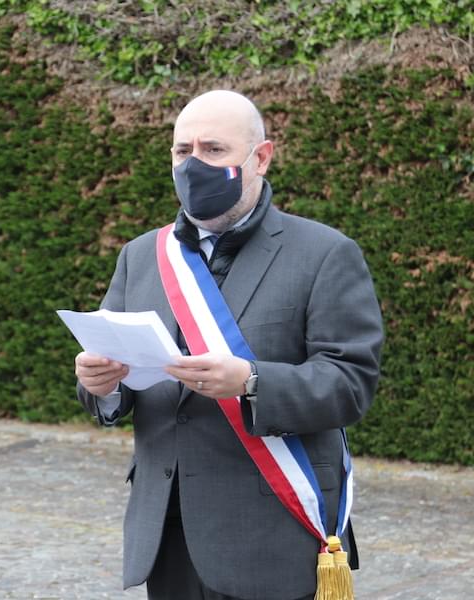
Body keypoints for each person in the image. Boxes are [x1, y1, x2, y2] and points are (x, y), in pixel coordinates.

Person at [74, 90, 383, 600]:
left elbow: (350, 385)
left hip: (273, 532)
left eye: (213, 150)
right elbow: (114, 382)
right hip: (168, 533)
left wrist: (251, 382)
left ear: (260, 157)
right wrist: (100, 384)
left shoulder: (326, 253)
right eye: (182, 151)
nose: (194, 164)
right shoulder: (141, 256)